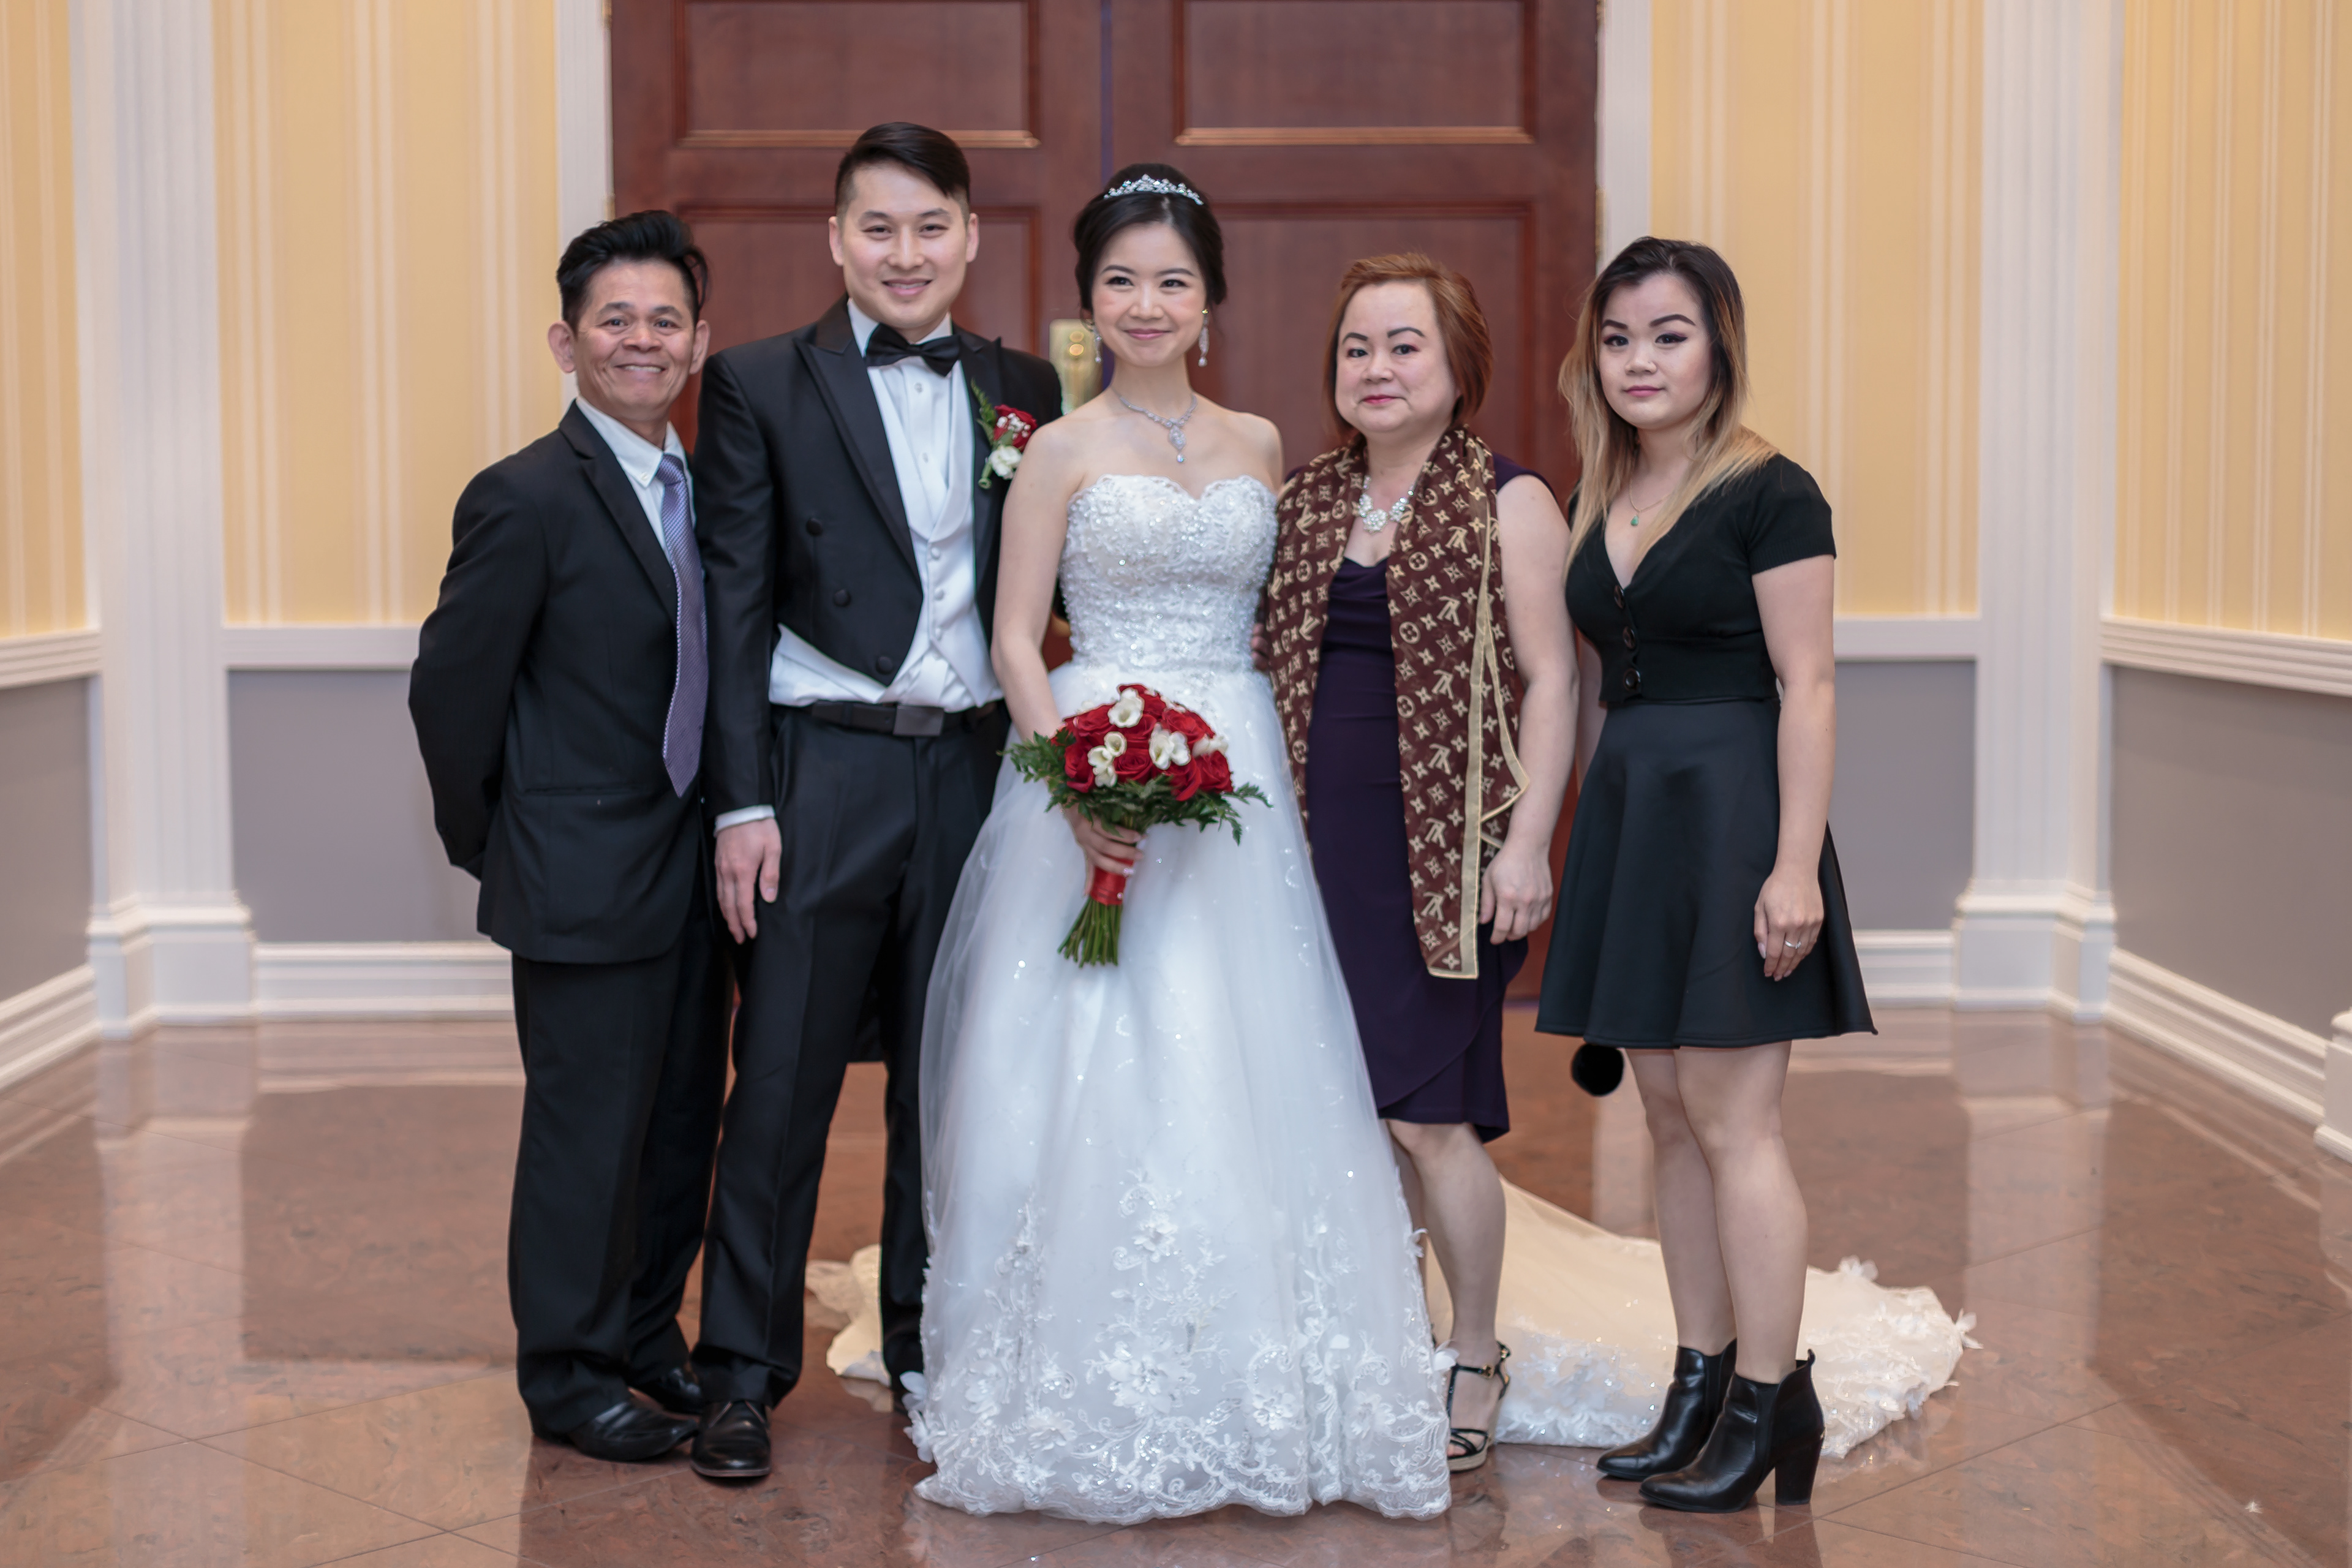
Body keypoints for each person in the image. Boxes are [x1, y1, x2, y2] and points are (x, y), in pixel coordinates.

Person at [908, 164, 1453, 1523]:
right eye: (1120, 281)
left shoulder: (1264, 443)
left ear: (1211, 301)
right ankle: (1072, 1356)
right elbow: (1014, 638)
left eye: (1172, 280)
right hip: (1089, 750)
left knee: (1247, 1039)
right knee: (1087, 1042)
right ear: (1087, 301)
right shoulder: (1058, 450)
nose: (1145, 303)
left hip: (1238, 766)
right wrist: (1070, 779)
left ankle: (1256, 1358)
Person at [686, 123, 1063, 1481]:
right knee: (780, 1081)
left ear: (970, 236)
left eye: (931, 226)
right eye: (879, 227)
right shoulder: (756, 383)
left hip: (971, 767)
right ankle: (740, 1372)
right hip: (824, 767)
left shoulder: (1025, 386)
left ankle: (924, 1343)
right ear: (837, 239)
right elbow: (731, 607)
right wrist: (742, 802)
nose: (907, 254)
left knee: (947, 1078)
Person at [1535, 236, 1876, 1513]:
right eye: (1618, 337)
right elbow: (1589, 680)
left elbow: (1810, 684)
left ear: (1718, 347)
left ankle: (1771, 1400)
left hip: (1735, 816)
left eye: (1669, 335)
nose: (1640, 360)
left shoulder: (1772, 492)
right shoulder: (1603, 488)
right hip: (1637, 821)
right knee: (1668, 1117)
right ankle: (1703, 1378)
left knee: (1737, 1123)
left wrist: (1794, 867)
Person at [409, 211, 728, 1462]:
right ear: (566, 341)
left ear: (697, 341)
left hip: (696, 874)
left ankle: (647, 1335)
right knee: (585, 1137)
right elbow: (453, 695)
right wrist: (499, 845)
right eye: (615, 319)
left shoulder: (708, 491)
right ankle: (568, 1372)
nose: (641, 340)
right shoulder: (524, 496)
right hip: (579, 875)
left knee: (677, 1125)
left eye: (665, 320)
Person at [1261, 253, 1577, 1474]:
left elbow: (1553, 680)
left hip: (1443, 862)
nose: (1377, 368)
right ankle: (1379, 1340)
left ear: (1458, 365)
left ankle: (1476, 1350)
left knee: (1429, 1116)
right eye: (1358, 347)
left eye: (1405, 346)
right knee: (1344, 1116)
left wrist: (1527, 842)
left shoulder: (1510, 500)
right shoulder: (1303, 500)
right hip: (1306, 857)